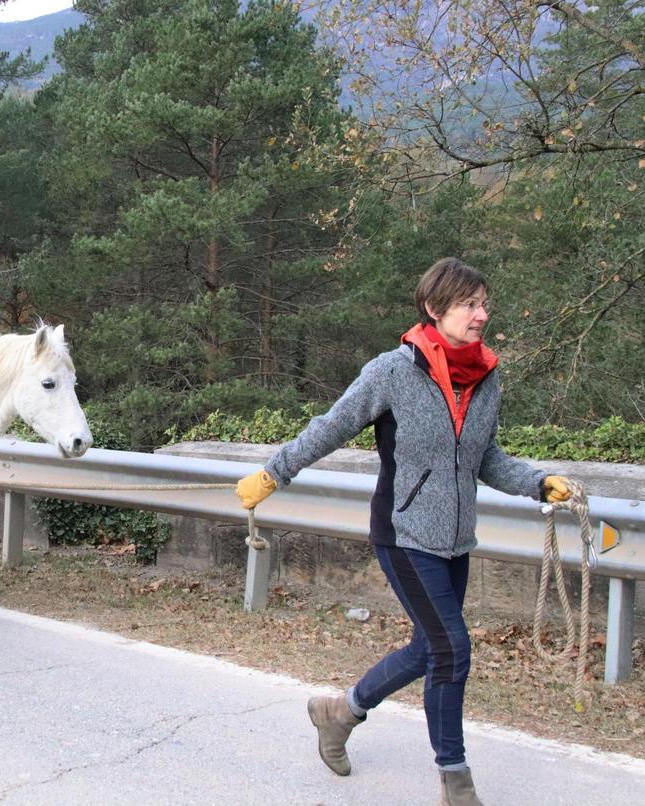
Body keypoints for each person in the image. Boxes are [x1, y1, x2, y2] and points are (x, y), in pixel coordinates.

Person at [235, 257, 572, 806]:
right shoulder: (392, 371)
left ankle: (339, 711)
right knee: (453, 650)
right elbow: (331, 426)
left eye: (484, 303)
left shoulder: (486, 377)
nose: (482, 314)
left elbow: (484, 458)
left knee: (429, 648)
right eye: (469, 304)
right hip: (404, 532)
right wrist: (275, 471)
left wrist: (539, 483)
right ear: (434, 309)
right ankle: (455, 781)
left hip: (456, 539)